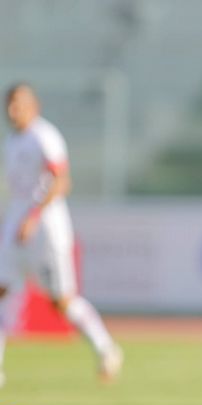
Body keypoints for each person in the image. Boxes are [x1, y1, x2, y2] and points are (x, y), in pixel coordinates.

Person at [0, 83, 123, 388]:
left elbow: (62, 181)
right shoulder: (12, 141)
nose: (13, 110)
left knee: (62, 301)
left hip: (46, 227)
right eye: (9, 104)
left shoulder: (45, 136)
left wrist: (33, 217)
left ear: (34, 106)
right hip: (16, 224)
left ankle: (106, 348)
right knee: (2, 291)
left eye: (19, 104)